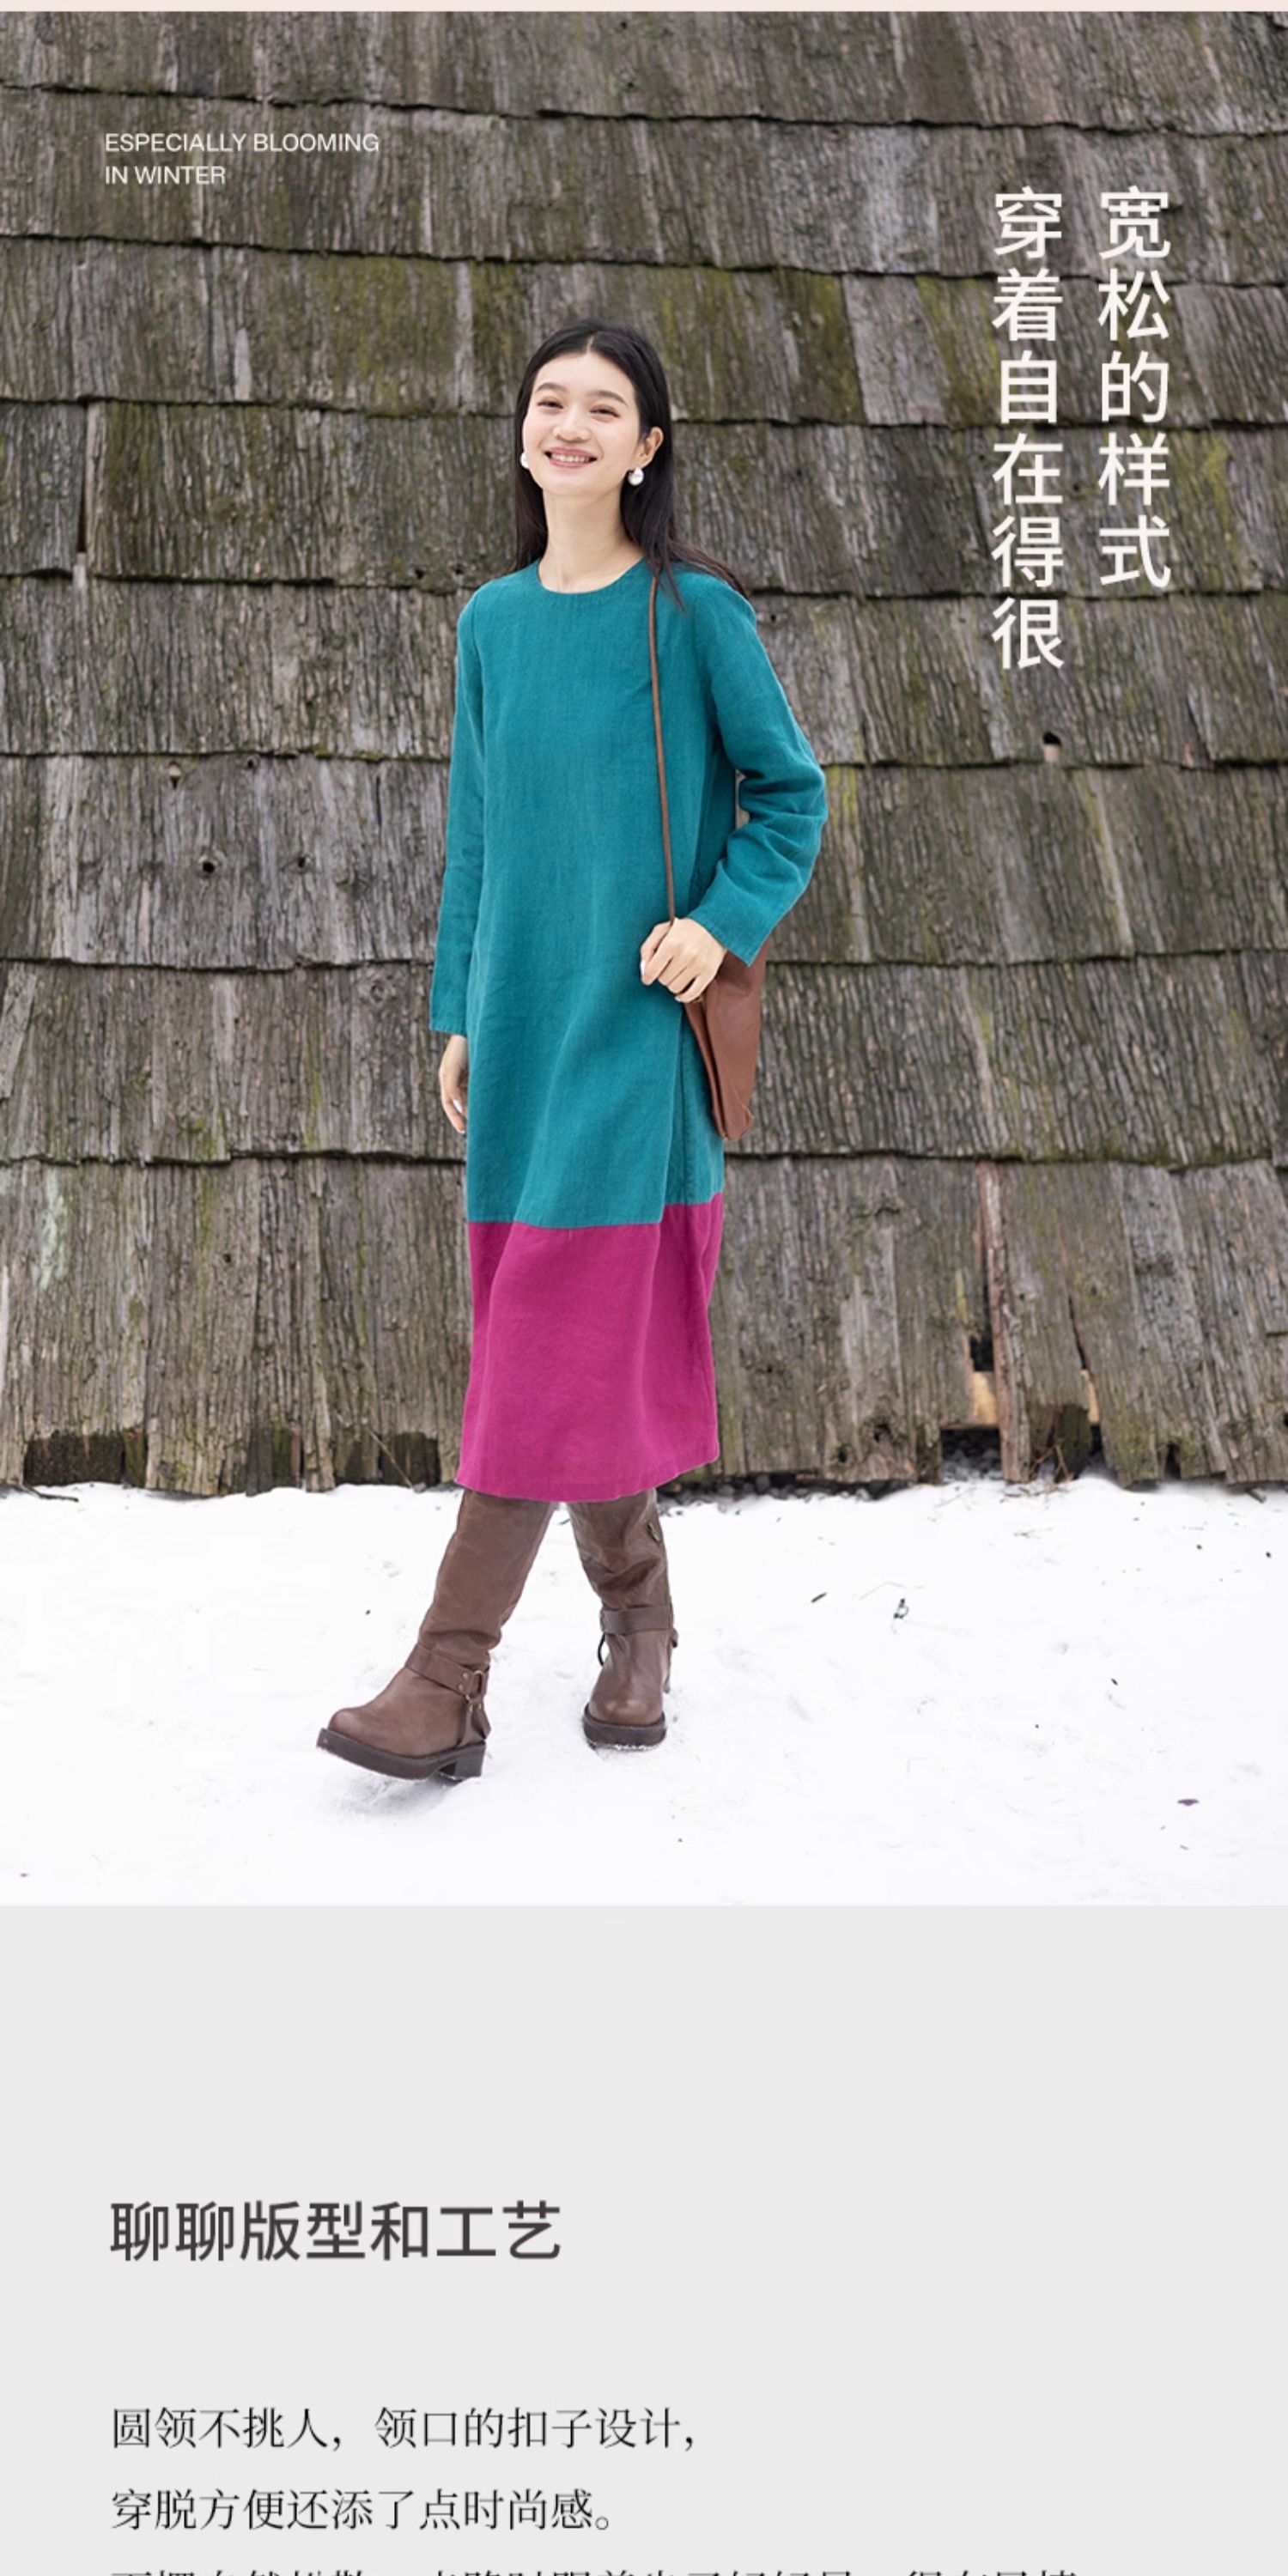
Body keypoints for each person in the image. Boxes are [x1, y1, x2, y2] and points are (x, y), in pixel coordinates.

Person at [318, 316, 828, 1785]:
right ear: (524, 432)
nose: (571, 425)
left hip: (636, 1044)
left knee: (545, 1339)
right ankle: (640, 1619)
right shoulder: (491, 622)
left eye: (605, 408)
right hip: (523, 1037)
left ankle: (446, 1678)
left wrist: (719, 924)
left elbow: (790, 797)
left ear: (647, 446)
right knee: (564, 1341)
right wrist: (459, 1010)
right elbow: (476, 835)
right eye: (551, 401)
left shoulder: (693, 616)